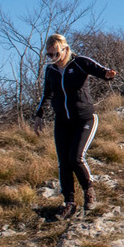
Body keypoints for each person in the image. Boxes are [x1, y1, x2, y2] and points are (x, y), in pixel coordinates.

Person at [33, 33, 117, 220]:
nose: (52, 58)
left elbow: (101, 71)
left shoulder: (80, 62)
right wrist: (39, 116)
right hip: (62, 122)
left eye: (55, 54)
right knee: (64, 163)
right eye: (49, 55)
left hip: (84, 119)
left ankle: (89, 190)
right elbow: (46, 95)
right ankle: (69, 204)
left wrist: (108, 75)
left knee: (76, 157)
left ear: (65, 49)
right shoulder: (51, 71)